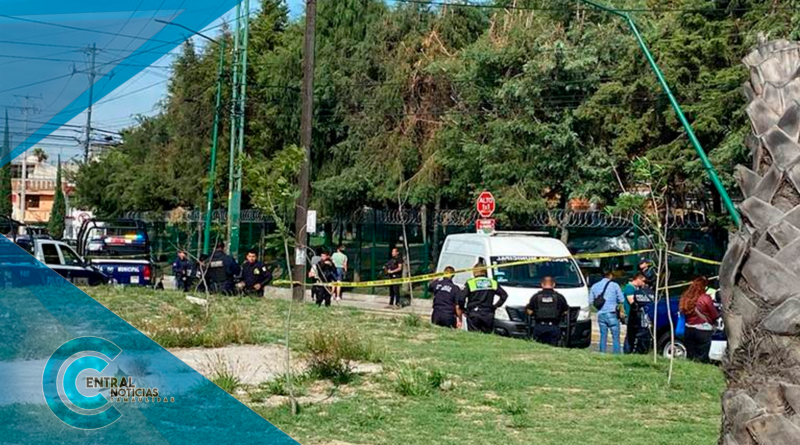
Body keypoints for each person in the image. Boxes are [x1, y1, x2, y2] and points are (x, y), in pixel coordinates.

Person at [679, 277, 720, 363]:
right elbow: (714, 314)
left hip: (688, 328)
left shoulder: (685, 298)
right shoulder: (705, 298)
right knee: (702, 356)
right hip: (703, 330)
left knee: (691, 356)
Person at [458, 264, 508, 334]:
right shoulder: (492, 282)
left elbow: (461, 298)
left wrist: (463, 309)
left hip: (474, 313)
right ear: (485, 272)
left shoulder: (470, 283)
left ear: (474, 272)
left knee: (473, 336)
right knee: (487, 337)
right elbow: (504, 295)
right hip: (488, 313)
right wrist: (495, 306)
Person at [526, 276, 570, 346]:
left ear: (542, 284)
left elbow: (529, 311)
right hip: (554, 328)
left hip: (539, 328)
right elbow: (566, 311)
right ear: (553, 285)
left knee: (538, 347)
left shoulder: (536, 297)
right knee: (553, 348)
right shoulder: (559, 297)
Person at [589, 270, 625, 354]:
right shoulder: (615, 285)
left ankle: (602, 353)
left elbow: (590, 301)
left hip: (601, 314)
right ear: (610, 275)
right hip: (612, 313)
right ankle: (616, 354)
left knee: (603, 336)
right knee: (615, 337)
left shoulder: (594, 286)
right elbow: (621, 299)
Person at [622, 272, 649, 354]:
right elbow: (632, 302)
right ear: (638, 279)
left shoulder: (635, 289)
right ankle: (627, 350)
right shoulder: (629, 288)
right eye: (643, 281)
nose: (643, 283)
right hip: (630, 315)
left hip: (636, 315)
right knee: (630, 334)